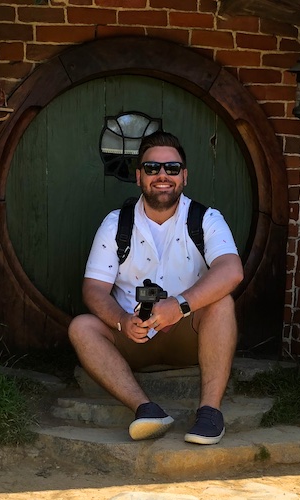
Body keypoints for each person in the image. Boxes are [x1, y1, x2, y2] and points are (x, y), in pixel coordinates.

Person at [68, 131, 243, 445]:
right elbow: (94, 289)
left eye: (172, 168)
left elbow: (231, 271)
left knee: (222, 303)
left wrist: (179, 305)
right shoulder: (115, 224)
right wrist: (121, 320)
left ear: (184, 176)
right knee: (81, 327)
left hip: (187, 334)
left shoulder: (206, 219)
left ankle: (209, 413)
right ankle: (146, 409)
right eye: (152, 168)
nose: (163, 175)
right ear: (139, 176)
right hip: (132, 337)